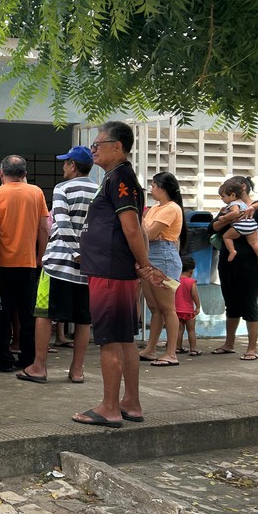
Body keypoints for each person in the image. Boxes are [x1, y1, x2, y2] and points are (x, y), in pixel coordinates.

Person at [73, 121, 164, 428]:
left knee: (110, 340)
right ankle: (131, 403)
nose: (93, 150)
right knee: (124, 339)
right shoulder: (115, 177)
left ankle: (110, 408)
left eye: (98, 144)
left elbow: (132, 228)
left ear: (117, 147)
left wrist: (144, 264)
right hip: (111, 268)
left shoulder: (121, 178)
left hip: (111, 271)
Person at [16, 146, 97, 385]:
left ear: (73, 165)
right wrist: (88, 255)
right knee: (83, 319)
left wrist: (75, 252)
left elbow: (62, 222)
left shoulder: (63, 188)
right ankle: (77, 370)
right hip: (88, 269)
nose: (63, 166)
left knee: (43, 314)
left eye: (65, 162)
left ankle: (39, 367)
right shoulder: (99, 190)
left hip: (58, 265)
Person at [0, 155, 49, 372]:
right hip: (27, 262)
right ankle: (28, 358)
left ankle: (3, 357)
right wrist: (40, 256)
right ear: (25, 174)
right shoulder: (36, 192)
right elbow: (43, 228)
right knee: (27, 313)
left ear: (1, 173)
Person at [208, 175, 258, 360]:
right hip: (228, 261)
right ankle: (229, 344)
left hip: (253, 262)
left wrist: (253, 207)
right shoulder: (229, 207)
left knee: (249, 300)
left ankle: (252, 348)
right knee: (231, 302)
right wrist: (227, 218)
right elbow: (211, 228)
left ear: (242, 187)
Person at [138, 172, 186, 367]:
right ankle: (151, 349)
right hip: (150, 255)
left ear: (163, 188)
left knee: (167, 308)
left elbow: (148, 233)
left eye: (153, 186)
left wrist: (141, 225)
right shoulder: (156, 208)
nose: (151, 189)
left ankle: (171, 352)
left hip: (164, 257)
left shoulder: (171, 208)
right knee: (154, 307)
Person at [218, 180, 258, 267]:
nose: (222, 199)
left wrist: (224, 218)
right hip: (251, 225)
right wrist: (225, 212)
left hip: (240, 225)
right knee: (255, 242)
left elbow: (235, 212)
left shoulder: (233, 204)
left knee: (226, 237)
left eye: (223, 196)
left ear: (232, 195)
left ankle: (232, 251)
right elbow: (236, 211)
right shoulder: (242, 203)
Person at [175, 255, 202, 356]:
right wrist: (198, 306)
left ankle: (178, 347)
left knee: (179, 330)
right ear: (191, 271)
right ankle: (193, 349)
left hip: (177, 310)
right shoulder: (191, 282)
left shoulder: (175, 280)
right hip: (188, 311)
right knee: (191, 330)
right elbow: (194, 294)